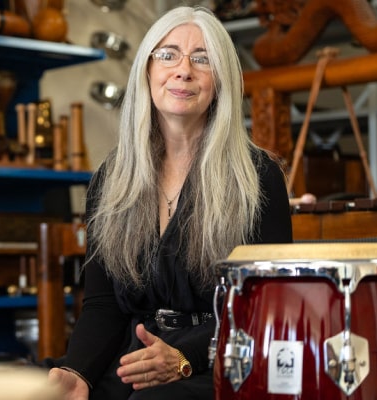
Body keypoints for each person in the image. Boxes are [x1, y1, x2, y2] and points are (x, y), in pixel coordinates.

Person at [45, 5, 293, 400]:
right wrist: (78, 372)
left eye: (202, 59)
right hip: (133, 357)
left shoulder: (259, 177)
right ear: (147, 70)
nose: (183, 69)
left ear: (222, 81)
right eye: (168, 54)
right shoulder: (111, 179)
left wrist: (185, 355)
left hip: (218, 359)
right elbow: (103, 304)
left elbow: (265, 307)